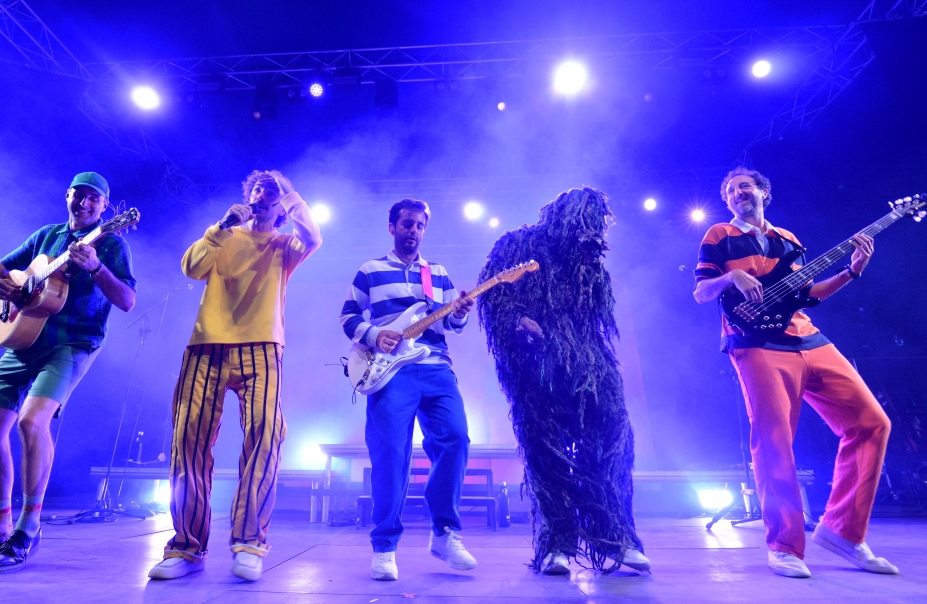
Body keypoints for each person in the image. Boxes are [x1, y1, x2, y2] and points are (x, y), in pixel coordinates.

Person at [693, 167, 897, 578]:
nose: (737, 193)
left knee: (872, 423)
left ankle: (843, 532)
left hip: (808, 338)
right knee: (774, 440)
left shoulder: (788, 240)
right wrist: (732, 275)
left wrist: (852, 271)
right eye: (730, 191)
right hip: (755, 343)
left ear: (763, 192)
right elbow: (702, 292)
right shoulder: (718, 235)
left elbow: (808, 294)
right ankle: (784, 545)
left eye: (745, 186)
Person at [0, 172, 137, 575]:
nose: (85, 203)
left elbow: (127, 300)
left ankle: (29, 528)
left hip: (71, 343)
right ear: (68, 196)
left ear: (106, 207)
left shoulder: (112, 243)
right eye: (79, 195)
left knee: (31, 421)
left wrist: (96, 268)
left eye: (94, 199)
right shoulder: (46, 236)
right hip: (23, 339)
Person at [148, 170, 321, 582]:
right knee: (188, 441)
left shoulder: (284, 244)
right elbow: (191, 267)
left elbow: (313, 237)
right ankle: (187, 547)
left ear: (282, 206)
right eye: (258, 189)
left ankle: (249, 544)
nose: (262, 195)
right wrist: (222, 226)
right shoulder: (225, 234)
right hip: (206, 346)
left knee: (265, 434)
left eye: (271, 192)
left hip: (262, 347)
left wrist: (290, 194)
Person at [476, 187, 650, 575]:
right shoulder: (517, 245)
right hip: (534, 367)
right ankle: (557, 543)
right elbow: (493, 295)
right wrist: (518, 320)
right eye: (581, 222)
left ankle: (616, 537)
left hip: (589, 365)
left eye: (596, 224)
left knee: (611, 445)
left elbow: (598, 318)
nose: (589, 232)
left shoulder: (589, 262)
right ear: (559, 219)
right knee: (546, 454)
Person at [340, 198, 477, 582]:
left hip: (436, 368)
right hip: (390, 373)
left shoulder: (438, 274)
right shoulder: (371, 270)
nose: (413, 230)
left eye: (419, 225)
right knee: (390, 454)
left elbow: (452, 326)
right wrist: (374, 334)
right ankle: (384, 546)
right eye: (407, 224)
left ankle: (444, 533)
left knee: (456, 439)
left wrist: (460, 313)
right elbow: (348, 316)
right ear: (392, 227)